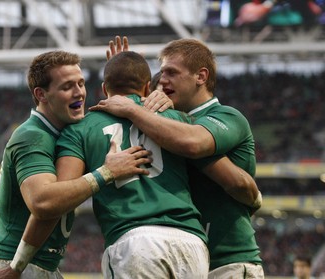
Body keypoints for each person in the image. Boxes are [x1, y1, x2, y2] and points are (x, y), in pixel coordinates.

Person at [91, 37, 264, 278]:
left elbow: (191, 143)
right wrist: (122, 79)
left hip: (229, 261)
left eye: (171, 73)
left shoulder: (227, 116)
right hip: (190, 258)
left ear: (200, 77)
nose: (162, 80)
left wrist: (131, 107)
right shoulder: (166, 121)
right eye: (161, 73)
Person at [0, 50, 152, 279]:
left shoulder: (66, 135)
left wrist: (127, 75)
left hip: (38, 266)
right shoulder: (33, 135)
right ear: (41, 94)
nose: (79, 92)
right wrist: (106, 173)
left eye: (81, 83)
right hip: (12, 266)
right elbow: (43, 201)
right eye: (67, 87)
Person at [57, 50, 210, 278]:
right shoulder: (179, 119)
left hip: (133, 241)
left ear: (104, 89)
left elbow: (62, 195)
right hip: (190, 242)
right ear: (148, 88)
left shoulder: (80, 129)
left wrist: (103, 173)